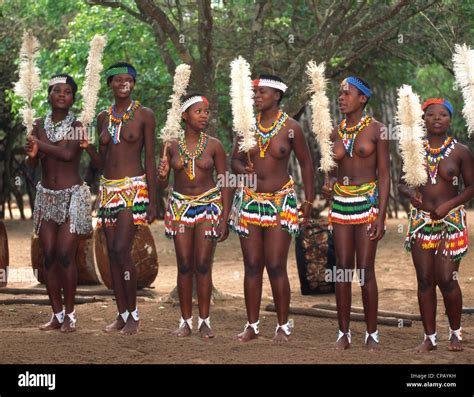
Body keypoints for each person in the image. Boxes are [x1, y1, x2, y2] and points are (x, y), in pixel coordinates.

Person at [229, 75, 314, 343]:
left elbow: (307, 164)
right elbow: (234, 161)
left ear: (277, 95)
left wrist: (308, 202)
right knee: (253, 265)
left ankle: (282, 325)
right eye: (254, 92)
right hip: (250, 201)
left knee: (276, 265)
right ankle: (252, 325)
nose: (256, 96)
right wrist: (243, 169)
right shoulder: (245, 127)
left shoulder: (291, 128)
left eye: (261, 92)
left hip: (280, 202)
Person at [82, 62, 157, 335]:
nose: (123, 83)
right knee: (112, 253)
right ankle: (121, 313)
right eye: (117, 80)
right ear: (110, 84)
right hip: (108, 189)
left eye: (128, 80)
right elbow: (103, 163)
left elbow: (150, 158)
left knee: (122, 251)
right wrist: (89, 148)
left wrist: (154, 200)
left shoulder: (145, 115)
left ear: (134, 83)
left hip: (133, 188)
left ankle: (134, 314)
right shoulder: (103, 117)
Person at [399, 98, 473, 352]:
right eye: (431, 115)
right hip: (421, 222)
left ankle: (455, 332)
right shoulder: (413, 150)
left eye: (443, 114)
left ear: (450, 119)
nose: (437, 118)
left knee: (447, 278)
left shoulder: (461, 151)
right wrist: (412, 195)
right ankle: (429, 337)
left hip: (451, 222)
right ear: (424, 119)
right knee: (424, 279)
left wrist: (448, 205)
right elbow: (401, 182)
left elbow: (471, 187)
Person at [322, 76, 390, 350]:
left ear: (362, 98)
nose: (341, 97)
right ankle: (343, 332)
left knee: (365, 270)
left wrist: (381, 216)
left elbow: (384, 175)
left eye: (347, 93)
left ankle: (372, 333)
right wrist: (327, 185)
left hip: (367, 203)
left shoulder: (377, 130)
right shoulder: (332, 133)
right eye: (339, 93)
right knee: (342, 268)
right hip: (340, 205)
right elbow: (331, 170)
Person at [157, 94, 231, 338]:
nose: (204, 115)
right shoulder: (171, 145)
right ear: (184, 115)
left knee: (202, 264)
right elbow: (161, 185)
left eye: (206, 111)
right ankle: (185, 321)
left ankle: (205, 320)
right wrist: (162, 175)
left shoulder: (214, 145)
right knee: (184, 264)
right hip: (180, 208)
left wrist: (225, 217)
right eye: (198, 111)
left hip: (209, 206)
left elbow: (226, 182)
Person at [25, 74, 92, 333]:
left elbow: (66, 154)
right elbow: (33, 162)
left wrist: (39, 144)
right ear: (49, 95)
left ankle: (71, 315)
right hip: (46, 197)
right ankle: (57, 314)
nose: (62, 94)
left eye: (67, 91)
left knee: (66, 255)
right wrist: (31, 154)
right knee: (49, 256)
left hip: (72, 196)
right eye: (57, 91)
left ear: (73, 98)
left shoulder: (78, 125)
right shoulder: (38, 125)